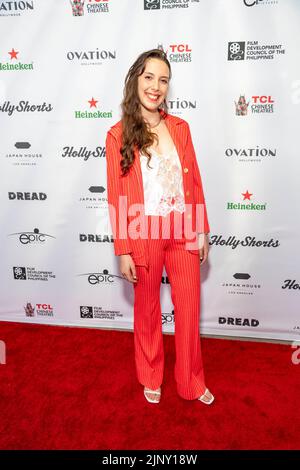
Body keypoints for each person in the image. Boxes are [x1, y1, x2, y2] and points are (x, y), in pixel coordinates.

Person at [105, 48, 214, 405]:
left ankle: (191, 381)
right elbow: (117, 193)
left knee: (189, 307)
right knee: (148, 307)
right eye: (149, 77)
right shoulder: (117, 133)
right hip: (142, 231)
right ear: (135, 79)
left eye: (163, 80)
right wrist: (123, 249)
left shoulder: (180, 128)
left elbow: (194, 181)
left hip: (183, 229)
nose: (156, 86)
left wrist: (201, 230)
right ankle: (150, 374)